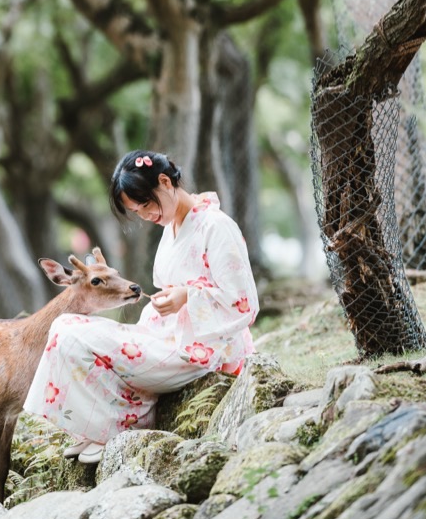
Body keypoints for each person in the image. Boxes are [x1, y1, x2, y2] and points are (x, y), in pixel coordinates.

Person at [23, 150, 258, 463]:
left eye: (145, 204)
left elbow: (244, 303)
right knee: (65, 325)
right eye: (137, 211)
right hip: (170, 335)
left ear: (165, 181)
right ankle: (95, 427)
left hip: (205, 347)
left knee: (80, 339)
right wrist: (168, 303)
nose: (145, 215)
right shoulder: (172, 228)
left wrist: (187, 296)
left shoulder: (216, 226)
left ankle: (110, 430)